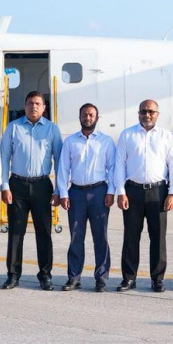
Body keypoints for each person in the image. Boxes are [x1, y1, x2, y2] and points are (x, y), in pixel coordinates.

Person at [113, 100, 173, 292]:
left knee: (158, 237)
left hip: (158, 192)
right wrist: (121, 192)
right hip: (132, 191)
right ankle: (129, 278)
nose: (147, 114)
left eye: (151, 111)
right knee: (131, 236)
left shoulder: (166, 136)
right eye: (143, 111)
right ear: (138, 113)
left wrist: (172, 193)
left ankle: (157, 279)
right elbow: (120, 164)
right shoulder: (127, 135)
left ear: (157, 114)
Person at [0, 91, 63, 290]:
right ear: (25, 106)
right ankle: (13, 275)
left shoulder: (52, 129)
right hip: (17, 186)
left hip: (42, 186)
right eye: (30, 103)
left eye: (37, 103)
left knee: (44, 232)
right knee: (15, 233)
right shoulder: (13, 127)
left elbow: (60, 161)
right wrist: (4, 186)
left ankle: (45, 275)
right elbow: (4, 157)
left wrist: (59, 190)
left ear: (44, 107)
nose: (33, 106)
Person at [56, 103, 116, 291]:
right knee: (76, 237)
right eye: (84, 115)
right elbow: (63, 168)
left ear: (97, 118)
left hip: (99, 192)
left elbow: (113, 168)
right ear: (79, 117)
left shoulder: (106, 141)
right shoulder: (71, 142)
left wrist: (111, 191)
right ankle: (74, 277)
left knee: (101, 237)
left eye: (91, 115)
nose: (87, 118)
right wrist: (64, 193)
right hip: (76, 193)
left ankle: (102, 278)